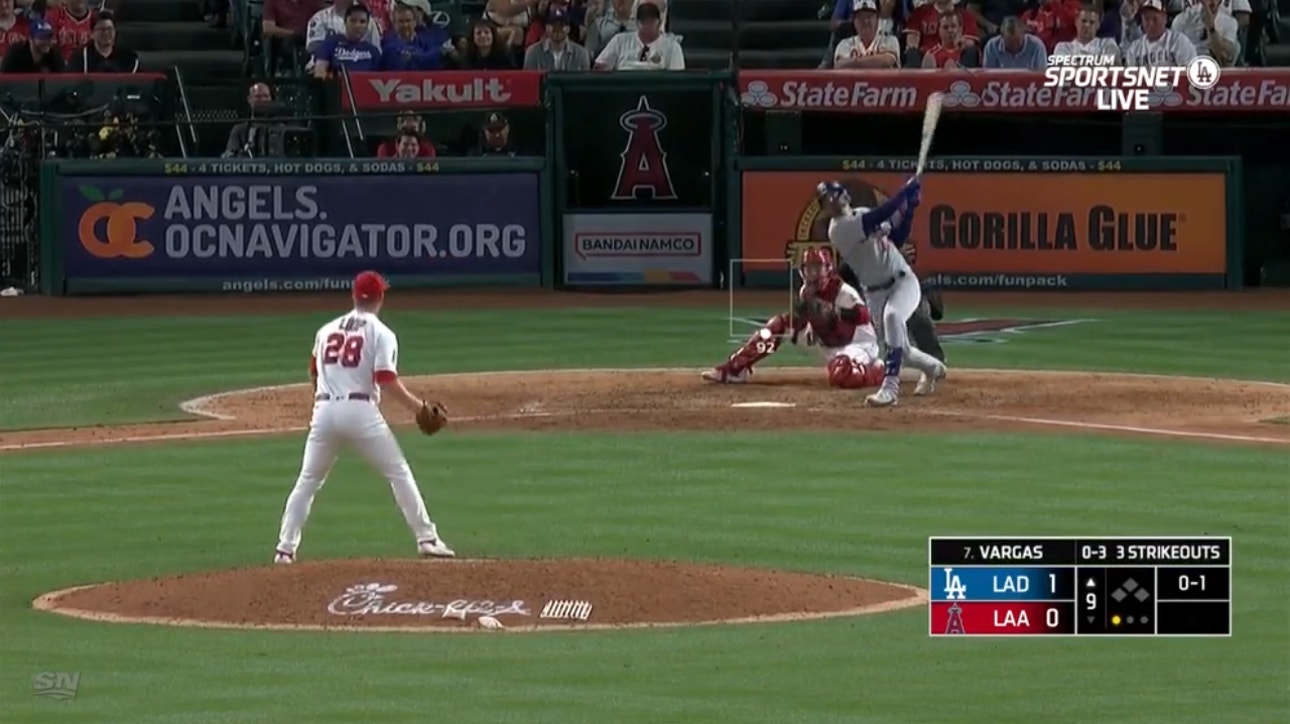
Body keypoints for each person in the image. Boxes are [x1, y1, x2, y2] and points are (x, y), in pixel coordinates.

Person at [274, 270, 455, 564]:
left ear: (354, 296)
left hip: (324, 411)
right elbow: (385, 378)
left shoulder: (326, 330)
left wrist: (322, 402)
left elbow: (313, 371)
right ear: (381, 297)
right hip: (360, 412)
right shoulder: (382, 333)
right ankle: (427, 538)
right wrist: (418, 407)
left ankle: (284, 549)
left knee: (307, 481)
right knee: (398, 472)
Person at [816, 179, 948, 407]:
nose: (832, 200)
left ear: (844, 195)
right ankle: (933, 367)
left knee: (893, 316)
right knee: (901, 349)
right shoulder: (838, 230)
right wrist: (904, 195)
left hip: (902, 282)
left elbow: (896, 238)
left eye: (834, 194)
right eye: (826, 199)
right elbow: (879, 216)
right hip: (874, 294)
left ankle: (890, 388)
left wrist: (910, 211)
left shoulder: (861, 214)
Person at [701, 247, 887, 390]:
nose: (812, 273)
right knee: (779, 324)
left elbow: (863, 316)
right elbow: (798, 322)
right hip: (824, 340)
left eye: (817, 268)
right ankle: (736, 368)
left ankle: (876, 370)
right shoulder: (806, 292)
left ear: (828, 269)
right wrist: (801, 319)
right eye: (809, 268)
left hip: (856, 343)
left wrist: (833, 312)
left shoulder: (843, 292)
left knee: (843, 375)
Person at [593, 1, 682, 70]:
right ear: (637, 23)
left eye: (651, 22)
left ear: (659, 23)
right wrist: (603, 68)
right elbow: (600, 66)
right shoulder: (619, 41)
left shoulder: (672, 47)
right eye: (643, 22)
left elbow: (677, 79)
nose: (647, 26)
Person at [312, 4, 382, 78]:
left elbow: (379, 79)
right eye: (353, 21)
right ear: (345, 22)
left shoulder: (373, 51)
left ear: (367, 25)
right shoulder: (330, 43)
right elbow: (319, 73)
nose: (357, 25)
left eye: (362, 22)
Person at [69, 11, 140, 73]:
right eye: (101, 29)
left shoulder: (129, 58)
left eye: (109, 29)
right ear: (92, 34)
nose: (106, 33)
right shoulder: (80, 57)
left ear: (115, 32)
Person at [523, 5, 591, 70]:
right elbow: (528, 81)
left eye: (561, 25)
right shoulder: (533, 53)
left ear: (568, 28)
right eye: (553, 25)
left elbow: (585, 81)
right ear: (546, 27)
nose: (557, 29)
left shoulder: (581, 54)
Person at [1051, 4, 1121, 59]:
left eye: (1092, 22)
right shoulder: (1063, 47)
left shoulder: (1107, 44)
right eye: (1083, 21)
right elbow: (1062, 69)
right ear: (1076, 22)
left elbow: (1112, 66)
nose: (1087, 25)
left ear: (1098, 25)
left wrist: (1075, 62)